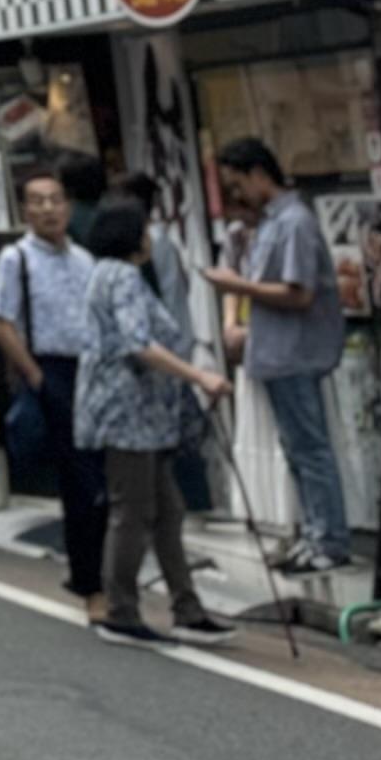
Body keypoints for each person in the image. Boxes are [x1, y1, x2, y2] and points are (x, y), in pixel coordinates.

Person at [74, 200, 237, 647]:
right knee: (134, 510)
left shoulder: (105, 276)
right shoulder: (122, 277)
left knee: (166, 510)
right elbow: (138, 344)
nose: (150, 239)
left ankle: (187, 607)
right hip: (130, 415)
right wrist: (199, 375)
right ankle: (122, 610)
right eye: (144, 231)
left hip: (139, 415)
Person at [201, 137, 351, 570]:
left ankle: (329, 540)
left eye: (238, 184)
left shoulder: (294, 223)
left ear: (258, 174)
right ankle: (314, 533)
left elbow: (299, 293)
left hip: (296, 352)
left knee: (310, 447)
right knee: (297, 448)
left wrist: (236, 287)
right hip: (274, 351)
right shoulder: (269, 224)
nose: (237, 196)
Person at [0, 165, 111, 620]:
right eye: (37, 201)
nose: (48, 209)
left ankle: (96, 577)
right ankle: (90, 583)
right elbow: (1, 324)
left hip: (93, 369)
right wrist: (37, 378)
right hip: (51, 369)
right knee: (80, 482)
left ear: (68, 206)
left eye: (55, 200)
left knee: (102, 477)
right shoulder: (15, 259)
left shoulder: (85, 259)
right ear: (25, 211)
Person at [117, 167, 218, 522]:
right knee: (179, 441)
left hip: (164, 357)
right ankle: (193, 506)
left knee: (175, 441)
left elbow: (160, 301)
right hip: (173, 351)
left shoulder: (147, 245)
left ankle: (192, 507)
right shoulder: (158, 243)